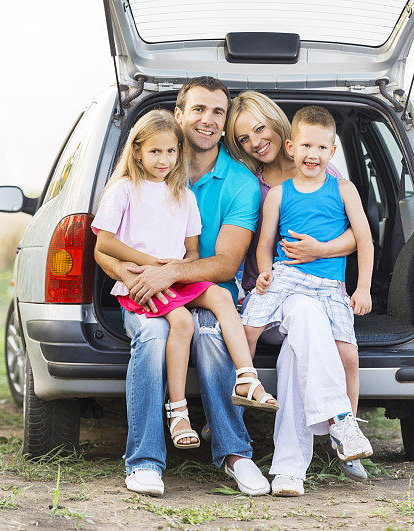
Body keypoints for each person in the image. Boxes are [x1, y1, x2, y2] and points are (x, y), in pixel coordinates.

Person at [95, 77, 271, 497]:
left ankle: (235, 454)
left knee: (210, 333)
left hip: (201, 287)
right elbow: (102, 248)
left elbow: (226, 263)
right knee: (154, 334)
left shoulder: (240, 182)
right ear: (179, 115)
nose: (207, 120)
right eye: (198, 109)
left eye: (217, 112)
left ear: (224, 122)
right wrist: (130, 273)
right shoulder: (135, 183)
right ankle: (144, 461)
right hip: (142, 290)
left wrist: (170, 272)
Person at [224, 92, 372, 487]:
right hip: (279, 283)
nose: (255, 142)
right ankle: (330, 423)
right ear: (295, 144)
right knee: (265, 327)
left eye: (259, 128)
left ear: (279, 127)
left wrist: (322, 251)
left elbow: (357, 237)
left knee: (303, 347)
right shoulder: (252, 182)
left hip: (322, 285)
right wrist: (260, 278)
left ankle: (305, 457)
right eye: (242, 139)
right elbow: (259, 245)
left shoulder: (332, 177)